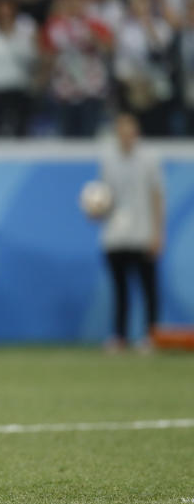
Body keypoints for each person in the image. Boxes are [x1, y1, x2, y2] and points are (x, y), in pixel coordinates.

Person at [97, 113, 164, 352]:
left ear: (137, 133)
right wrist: (97, 210)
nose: (126, 136)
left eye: (130, 131)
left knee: (148, 288)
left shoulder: (149, 158)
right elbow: (105, 197)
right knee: (120, 290)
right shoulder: (108, 159)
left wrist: (158, 233)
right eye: (121, 131)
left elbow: (157, 197)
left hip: (142, 233)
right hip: (115, 235)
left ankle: (151, 335)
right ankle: (120, 335)